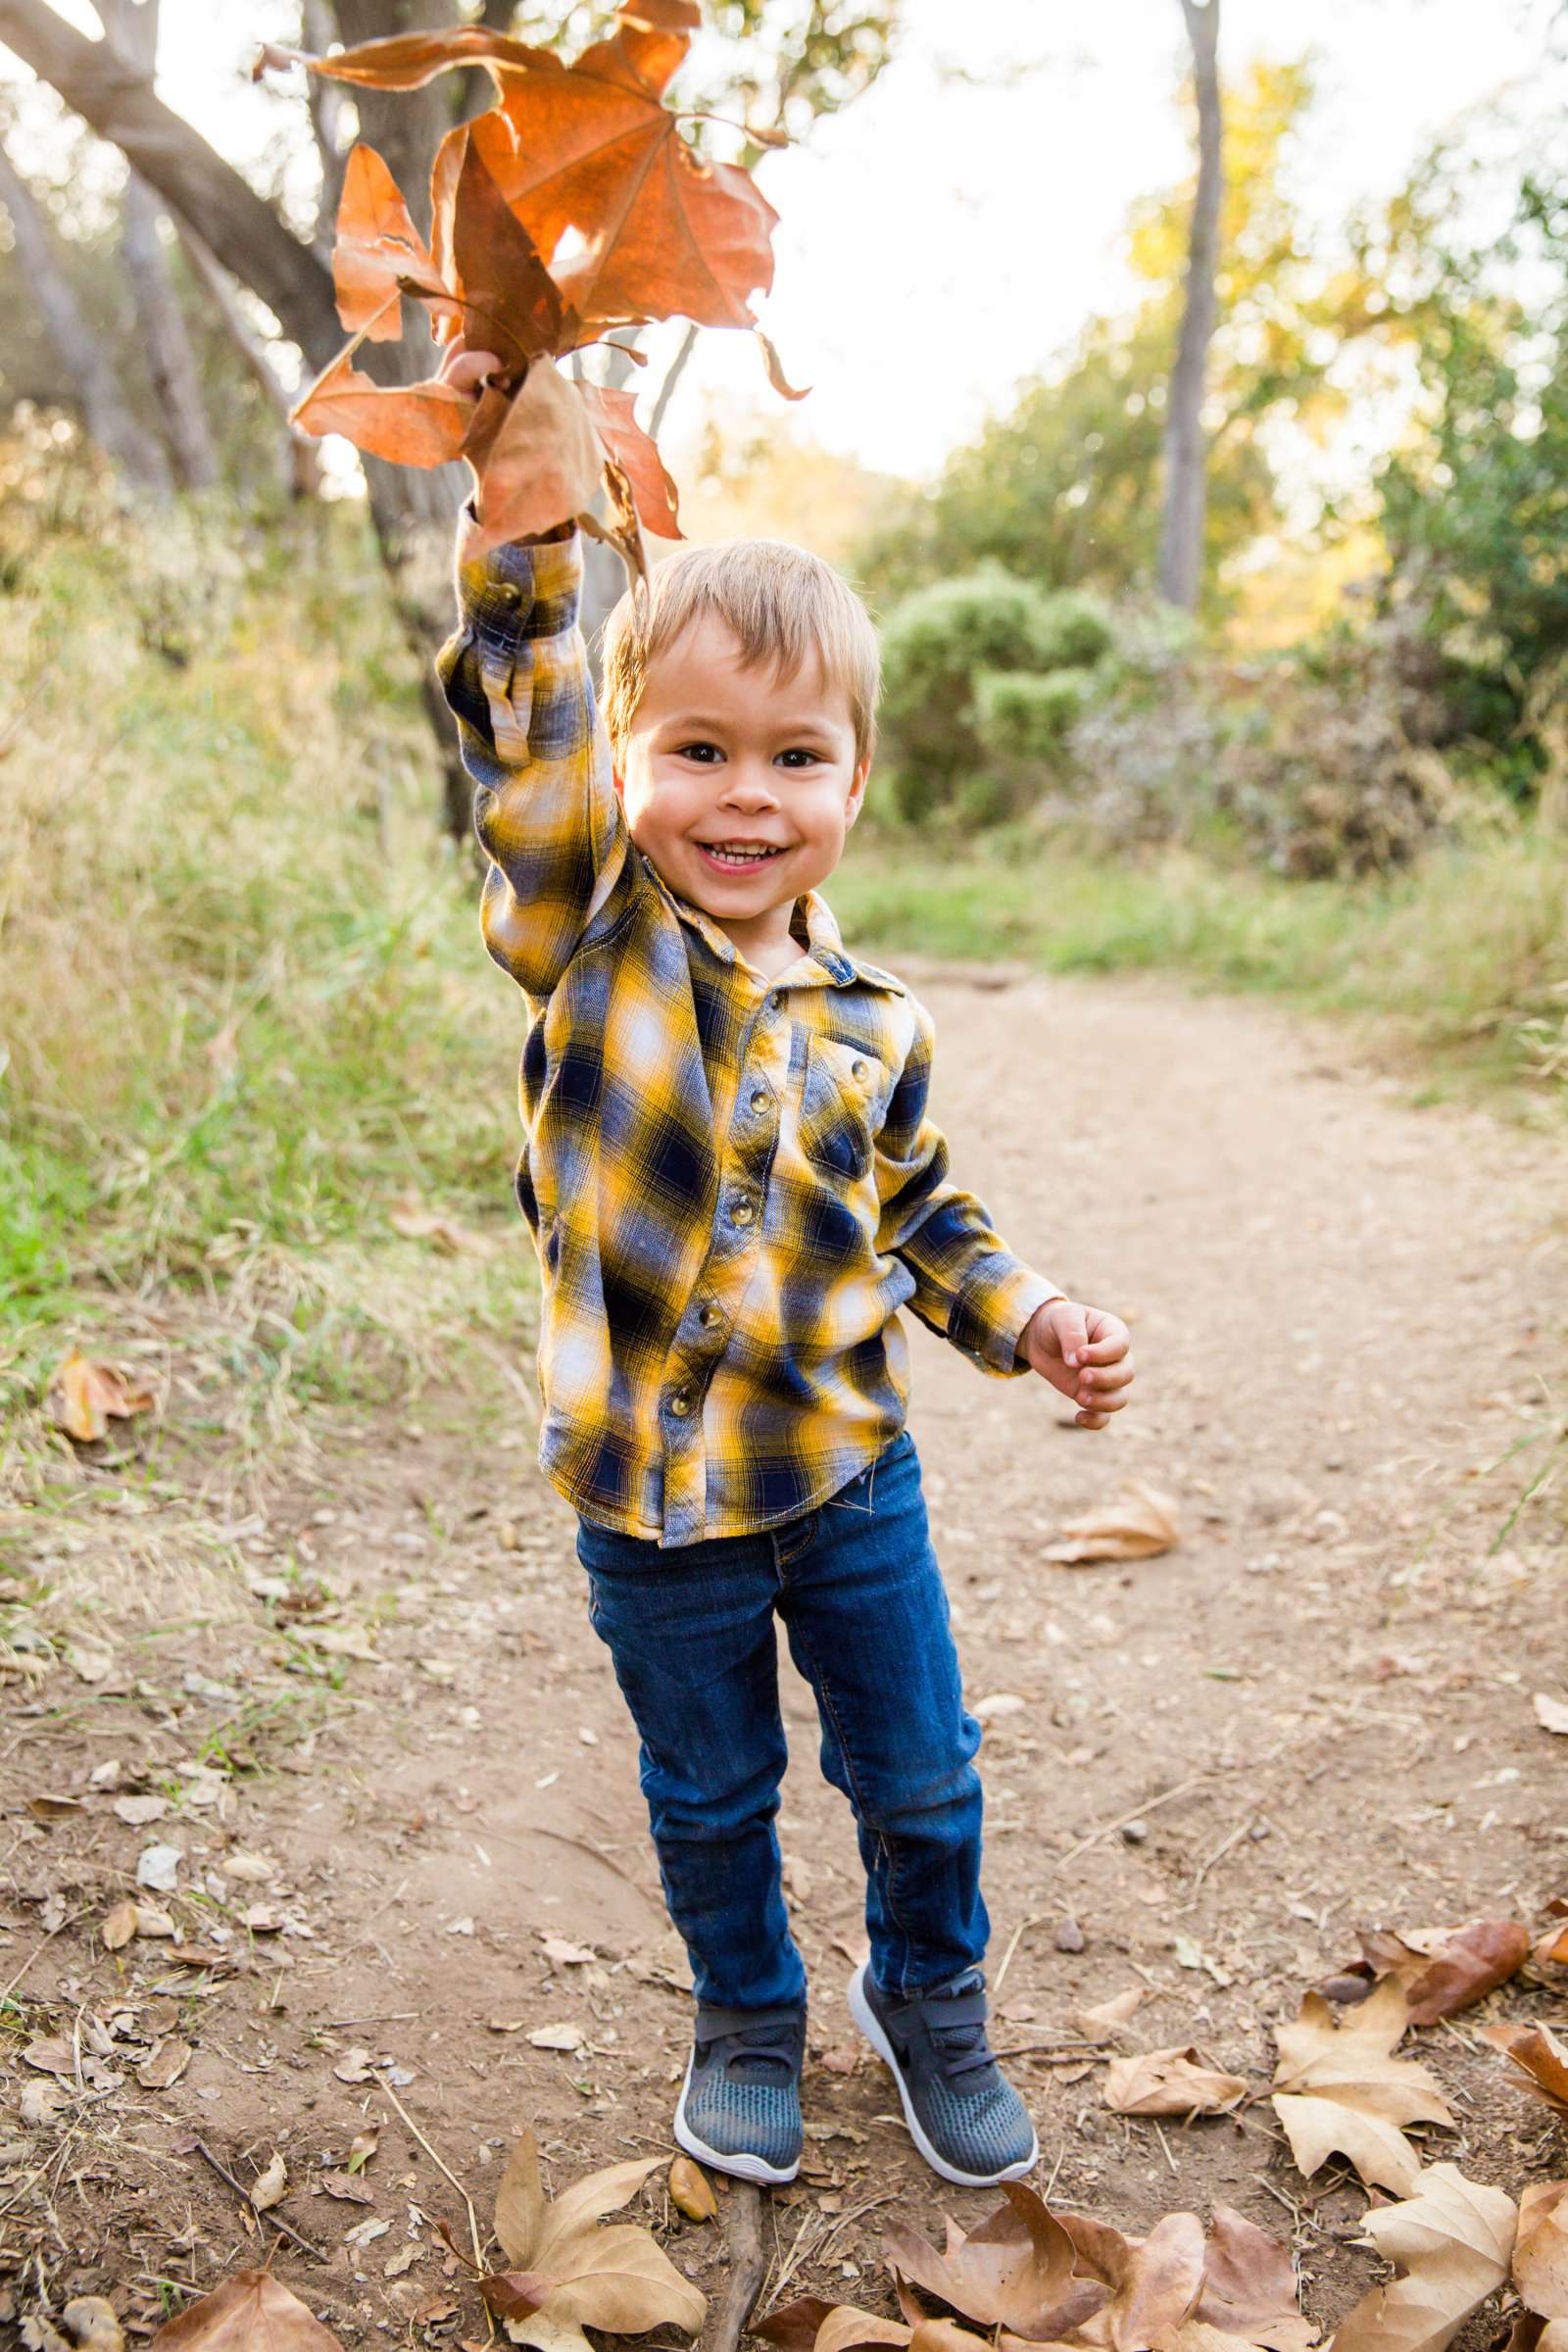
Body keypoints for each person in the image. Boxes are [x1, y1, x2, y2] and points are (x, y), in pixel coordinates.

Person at [432, 338, 1135, 2190]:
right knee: (709, 1790)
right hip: (651, 1494)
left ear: (856, 778)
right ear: (625, 761)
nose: (746, 799)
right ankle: (747, 2013)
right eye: (698, 752)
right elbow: (517, 717)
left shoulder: (878, 1019)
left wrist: (1031, 1314)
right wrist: (520, 529)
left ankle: (933, 2002)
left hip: (845, 1472)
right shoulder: (586, 927)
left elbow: (925, 1217)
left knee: (918, 1772)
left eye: (795, 757)